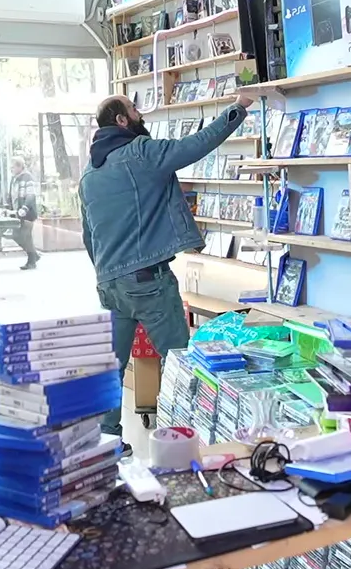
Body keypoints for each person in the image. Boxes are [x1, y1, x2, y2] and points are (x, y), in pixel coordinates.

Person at [78, 94, 253, 447]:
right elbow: (194, 145)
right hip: (148, 280)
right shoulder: (140, 153)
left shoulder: (89, 174)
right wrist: (238, 108)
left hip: (109, 283)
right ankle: (188, 438)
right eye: (134, 109)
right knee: (180, 362)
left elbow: (88, 235)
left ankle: (107, 442)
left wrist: (107, 272)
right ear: (122, 120)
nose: (140, 113)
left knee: (111, 366)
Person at [7, 157, 40, 270]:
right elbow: (12, 196)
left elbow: (31, 195)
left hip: (27, 213)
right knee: (16, 235)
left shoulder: (27, 178)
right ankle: (34, 255)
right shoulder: (14, 179)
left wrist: (25, 208)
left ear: (20, 166)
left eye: (13, 167)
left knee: (26, 236)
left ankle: (32, 261)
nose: (11, 169)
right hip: (17, 213)